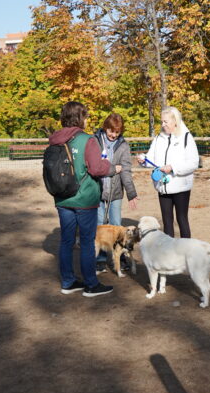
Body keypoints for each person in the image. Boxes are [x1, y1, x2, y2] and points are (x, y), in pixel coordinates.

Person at [50, 101, 121, 297]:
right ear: (80, 118)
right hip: (84, 198)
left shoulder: (55, 139)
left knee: (66, 241)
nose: (87, 119)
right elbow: (97, 168)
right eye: (86, 116)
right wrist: (112, 168)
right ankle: (91, 284)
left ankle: (68, 281)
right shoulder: (87, 140)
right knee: (88, 241)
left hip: (63, 197)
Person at [137, 106, 199, 238]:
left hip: (181, 187)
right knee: (167, 222)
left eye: (166, 122)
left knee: (182, 220)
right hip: (162, 187)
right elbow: (151, 158)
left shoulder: (187, 138)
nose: (163, 124)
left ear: (175, 121)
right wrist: (144, 160)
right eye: (162, 122)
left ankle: (186, 251)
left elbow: (193, 162)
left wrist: (173, 168)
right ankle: (169, 252)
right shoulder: (159, 138)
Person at [94, 113, 140, 272]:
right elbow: (94, 167)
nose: (113, 135)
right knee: (100, 226)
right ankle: (99, 259)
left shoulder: (123, 146)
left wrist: (131, 192)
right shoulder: (94, 141)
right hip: (97, 191)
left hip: (115, 193)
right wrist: (113, 169)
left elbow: (126, 170)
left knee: (116, 225)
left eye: (117, 132)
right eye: (111, 131)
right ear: (105, 127)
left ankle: (119, 256)